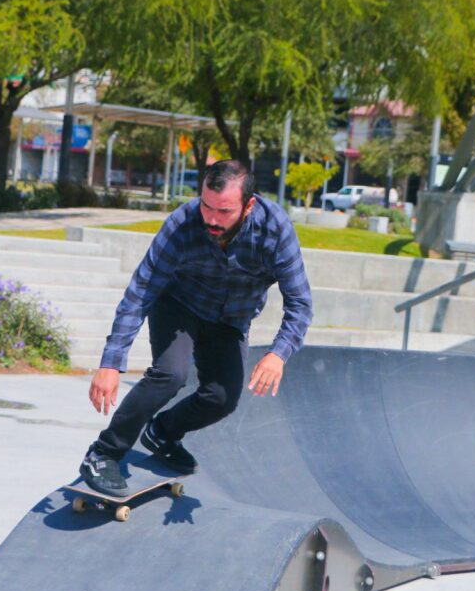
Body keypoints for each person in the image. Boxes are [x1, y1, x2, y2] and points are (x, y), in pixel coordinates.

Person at [80, 159, 313, 496]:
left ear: (248, 206)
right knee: (170, 374)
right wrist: (110, 362)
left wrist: (279, 354)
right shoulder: (183, 224)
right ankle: (103, 454)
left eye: (224, 211)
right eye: (206, 206)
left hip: (232, 320)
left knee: (222, 398)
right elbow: (141, 291)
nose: (212, 220)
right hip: (179, 308)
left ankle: (163, 432)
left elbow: (300, 303)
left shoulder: (275, 229)